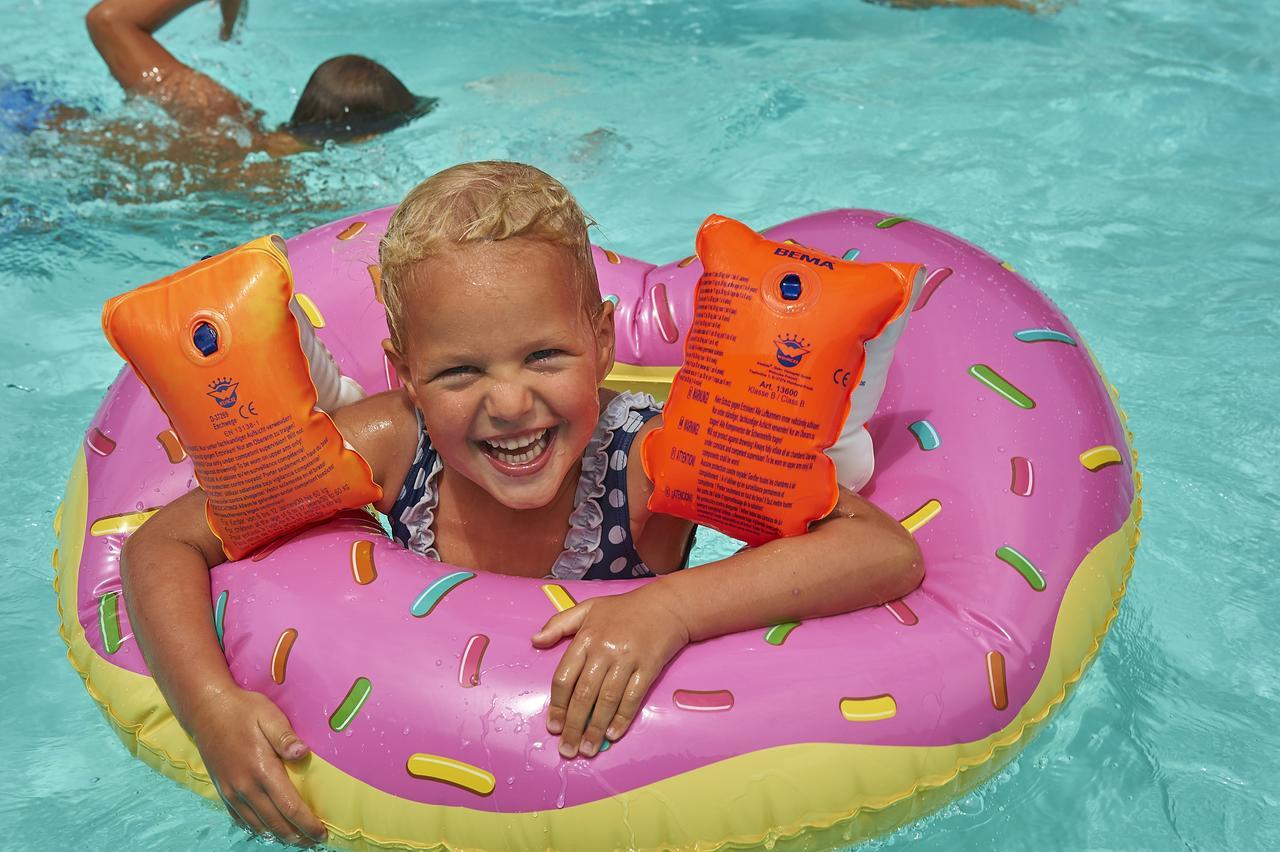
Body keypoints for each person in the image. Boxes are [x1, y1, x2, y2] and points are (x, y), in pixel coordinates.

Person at [120, 161, 924, 847]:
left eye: (545, 355)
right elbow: (163, 545)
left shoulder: (647, 467)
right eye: (459, 372)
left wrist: (672, 607)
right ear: (403, 373)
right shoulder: (397, 443)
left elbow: (883, 551)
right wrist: (210, 707)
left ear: (605, 344)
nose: (509, 403)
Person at [85, 0, 433, 155]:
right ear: (363, 138)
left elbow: (108, 20)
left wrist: (228, 19)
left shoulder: (220, 112)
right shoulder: (291, 192)